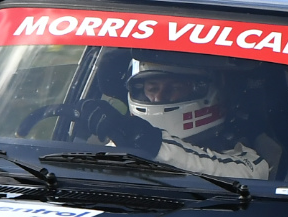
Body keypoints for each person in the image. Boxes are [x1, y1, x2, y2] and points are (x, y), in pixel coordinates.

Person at [83, 58, 275, 179]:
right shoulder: (123, 143)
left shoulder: (246, 163)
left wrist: (150, 142)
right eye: (152, 88)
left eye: (174, 88)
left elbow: (249, 174)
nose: (158, 98)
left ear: (207, 92)